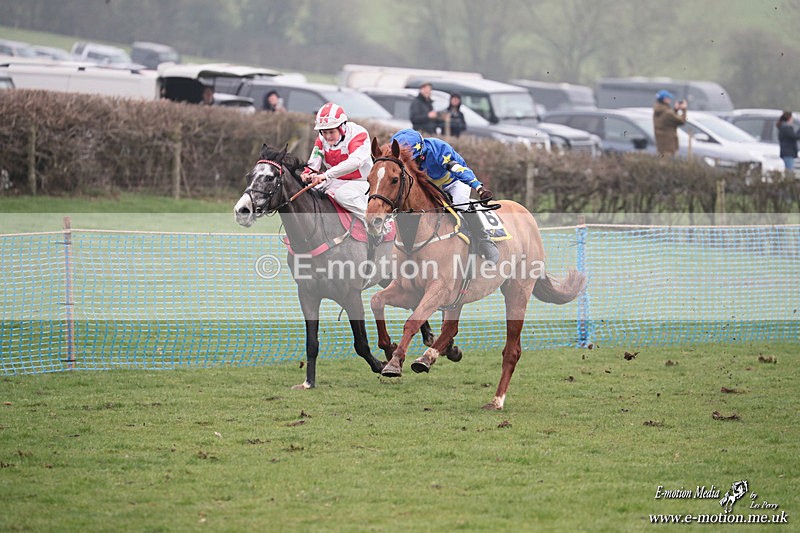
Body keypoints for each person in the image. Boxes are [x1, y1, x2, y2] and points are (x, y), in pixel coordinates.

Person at [391, 128, 499, 264]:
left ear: (421, 154)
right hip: (428, 186)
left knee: (461, 202)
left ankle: (483, 240)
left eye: (412, 159)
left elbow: (460, 170)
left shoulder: (438, 150)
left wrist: (478, 187)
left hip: (453, 182)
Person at [301, 102, 371, 222]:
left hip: (362, 182)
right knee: (306, 193)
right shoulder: (321, 139)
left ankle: (376, 223)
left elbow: (355, 162)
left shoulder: (358, 134)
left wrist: (326, 175)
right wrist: (307, 174)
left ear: (342, 128)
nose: (327, 136)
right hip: (335, 181)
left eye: (331, 132)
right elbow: (314, 162)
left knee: (343, 196)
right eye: (324, 132)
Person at [652, 89, 687, 157]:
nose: (669, 100)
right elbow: (682, 121)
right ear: (664, 99)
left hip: (661, 147)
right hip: (669, 147)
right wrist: (684, 109)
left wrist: (675, 110)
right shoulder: (667, 113)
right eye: (668, 98)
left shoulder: (658, 110)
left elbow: (669, 120)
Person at [776, 111, 799, 176]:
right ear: (789, 118)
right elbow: (795, 137)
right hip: (788, 153)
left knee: (789, 171)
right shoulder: (786, 128)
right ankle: (788, 185)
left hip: (787, 153)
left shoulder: (783, 127)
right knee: (789, 173)